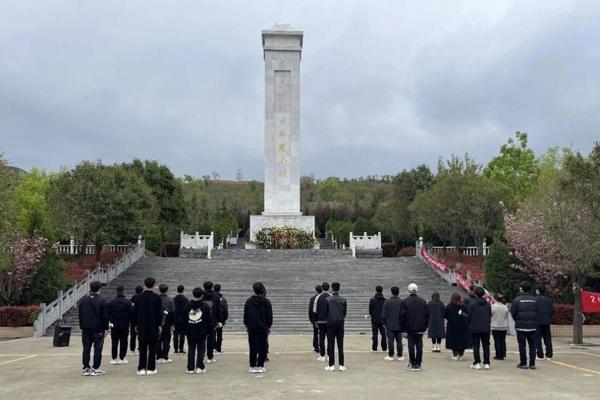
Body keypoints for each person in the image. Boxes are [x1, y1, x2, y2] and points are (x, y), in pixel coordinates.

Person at [133, 277, 163, 375]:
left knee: (142, 347)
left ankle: (141, 368)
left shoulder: (138, 297)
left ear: (144, 284)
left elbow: (135, 312)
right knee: (152, 347)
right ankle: (151, 368)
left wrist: (135, 324)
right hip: (153, 325)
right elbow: (159, 313)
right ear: (154, 285)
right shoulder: (157, 298)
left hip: (141, 324)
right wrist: (159, 324)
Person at [79, 280, 108, 376]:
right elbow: (105, 316)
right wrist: (106, 328)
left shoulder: (83, 300)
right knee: (98, 349)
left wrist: (82, 326)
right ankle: (96, 367)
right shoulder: (102, 300)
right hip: (98, 329)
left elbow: (80, 315)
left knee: (86, 348)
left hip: (86, 328)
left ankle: (86, 367)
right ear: (100, 288)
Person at [243, 282, 273, 374]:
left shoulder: (249, 301)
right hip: (263, 327)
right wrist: (269, 325)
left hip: (252, 327)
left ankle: (252, 365)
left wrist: (247, 325)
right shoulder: (266, 302)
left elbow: (246, 315)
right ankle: (260, 365)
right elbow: (269, 316)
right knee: (262, 346)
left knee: (252, 346)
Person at [511, 281, 539, 370]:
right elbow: (538, 312)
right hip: (533, 326)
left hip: (520, 326)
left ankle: (523, 363)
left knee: (522, 345)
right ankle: (532, 363)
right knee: (533, 345)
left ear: (521, 288)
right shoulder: (535, 300)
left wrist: (518, 320)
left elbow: (513, 313)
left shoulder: (517, 300)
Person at [401, 283, 428, 371]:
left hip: (409, 327)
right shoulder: (423, 301)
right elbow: (426, 315)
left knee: (411, 345)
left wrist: (403, 329)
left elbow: (402, 316)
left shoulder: (405, 301)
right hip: (420, 327)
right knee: (419, 346)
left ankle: (412, 363)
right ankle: (418, 363)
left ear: (409, 290)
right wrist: (425, 327)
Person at [185, 287, 212, 374]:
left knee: (191, 349)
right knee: (201, 349)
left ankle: (190, 368)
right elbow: (208, 320)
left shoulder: (188, 305)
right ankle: (199, 367)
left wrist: (186, 329)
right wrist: (208, 331)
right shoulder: (205, 306)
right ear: (202, 295)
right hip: (202, 331)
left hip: (190, 330)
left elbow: (184, 318)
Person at [467, 286, 492, 370]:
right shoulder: (488, 304)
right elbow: (489, 315)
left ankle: (477, 362)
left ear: (475, 294)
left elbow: (468, 316)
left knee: (476, 346)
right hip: (485, 327)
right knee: (486, 346)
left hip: (475, 327)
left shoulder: (471, 304)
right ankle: (487, 363)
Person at [107, 285, 133, 365]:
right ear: (123, 291)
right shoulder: (128, 302)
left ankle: (114, 358)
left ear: (116, 291)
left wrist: (109, 322)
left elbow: (108, 313)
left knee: (114, 342)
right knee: (124, 341)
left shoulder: (111, 302)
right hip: (124, 324)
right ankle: (122, 358)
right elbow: (132, 313)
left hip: (114, 324)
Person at [325, 282, 347, 372]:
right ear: (339, 288)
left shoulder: (328, 299)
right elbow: (344, 313)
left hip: (330, 324)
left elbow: (326, 312)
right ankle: (341, 365)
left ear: (332, 289)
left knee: (331, 344)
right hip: (340, 323)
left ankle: (331, 365)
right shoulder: (343, 300)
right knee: (340, 344)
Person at [444, 293, 470, 360]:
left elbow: (445, 315)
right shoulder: (464, 306)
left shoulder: (449, 306)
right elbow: (467, 315)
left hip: (452, 326)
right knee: (462, 340)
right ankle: (461, 355)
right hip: (462, 326)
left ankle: (455, 355)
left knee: (453, 340)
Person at [202, 281, 223, 364]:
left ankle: (201, 354)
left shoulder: (201, 295)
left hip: (201, 319)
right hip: (212, 320)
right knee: (211, 339)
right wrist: (220, 320)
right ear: (212, 287)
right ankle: (210, 357)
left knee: (202, 339)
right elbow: (218, 310)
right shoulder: (216, 296)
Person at [382, 286, 404, 361]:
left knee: (390, 340)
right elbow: (404, 314)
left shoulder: (387, 302)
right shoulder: (401, 302)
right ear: (398, 292)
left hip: (390, 324)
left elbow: (383, 314)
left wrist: (384, 323)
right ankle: (400, 355)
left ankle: (391, 355)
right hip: (399, 325)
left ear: (391, 292)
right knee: (399, 340)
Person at [157, 283, 175, 364]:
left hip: (157, 322)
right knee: (166, 340)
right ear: (167, 290)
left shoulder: (156, 299)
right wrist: (172, 324)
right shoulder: (170, 300)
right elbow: (173, 312)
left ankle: (158, 356)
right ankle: (165, 356)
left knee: (158, 340)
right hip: (167, 322)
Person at [536, 285, 554, 360]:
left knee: (537, 339)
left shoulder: (535, 299)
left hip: (537, 321)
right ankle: (549, 355)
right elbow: (552, 311)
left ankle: (540, 355)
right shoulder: (549, 300)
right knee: (548, 338)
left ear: (538, 291)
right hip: (547, 321)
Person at [314, 282, 331, 362]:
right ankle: (329, 356)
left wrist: (315, 321)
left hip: (320, 321)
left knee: (321, 338)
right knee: (329, 339)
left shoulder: (318, 297)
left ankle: (322, 356)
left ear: (322, 288)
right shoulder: (331, 296)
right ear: (329, 288)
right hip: (329, 321)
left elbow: (315, 310)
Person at [369, 285, 387, 352]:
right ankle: (384, 348)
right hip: (383, 320)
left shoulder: (372, 300)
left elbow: (370, 311)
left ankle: (374, 348)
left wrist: (373, 315)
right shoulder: (385, 300)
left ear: (376, 290)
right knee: (383, 334)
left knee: (375, 334)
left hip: (374, 319)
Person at [173, 285, 190, 354]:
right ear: (183, 290)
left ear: (177, 290)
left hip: (175, 319)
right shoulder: (186, 300)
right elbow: (188, 310)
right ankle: (181, 349)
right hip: (184, 319)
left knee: (175, 334)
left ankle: (176, 349)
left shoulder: (173, 299)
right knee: (182, 334)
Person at [491, 294, 509, 360]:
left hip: (495, 326)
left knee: (497, 341)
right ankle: (503, 354)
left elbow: (490, 315)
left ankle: (498, 355)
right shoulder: (505, 307)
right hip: (503, 325)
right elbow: (506, 316)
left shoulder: (493, 306)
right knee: (503, 341)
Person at [214, 283, 229, 353]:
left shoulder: (211, 298)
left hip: (212, 319)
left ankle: (213, 347)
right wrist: (225, 318)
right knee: (219, 334)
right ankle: (218, 348)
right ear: (220, 289)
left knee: (212, 333)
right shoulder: (223, 299)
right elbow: (225, 309)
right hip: (220, 319)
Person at [308, 284, 323, 353]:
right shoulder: (325, 298)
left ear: (316, 290)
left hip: (316, 320)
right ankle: (323, 347)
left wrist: (312, 321)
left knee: (315, 333)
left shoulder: (313, 298)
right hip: (323, 319)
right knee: (323, 334)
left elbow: (310, 310)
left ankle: (316, 347)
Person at [129, 286, 143, 353]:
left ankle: (132, 347)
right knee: (141, 334)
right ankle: (140, 347)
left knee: (133, 335)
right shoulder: (143, 298)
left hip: (133, 318)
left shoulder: (132, 298)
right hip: (141, 318)